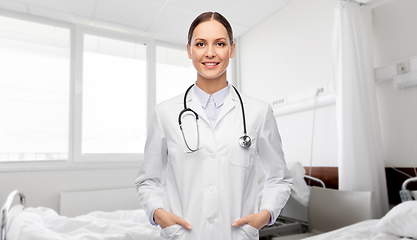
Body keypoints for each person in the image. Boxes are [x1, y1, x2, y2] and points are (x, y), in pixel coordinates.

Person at [135, 11, 293, 240]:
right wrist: (159, 214)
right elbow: (148, 180)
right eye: (201, 44)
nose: (210, 53)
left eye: (219, 43)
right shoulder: (165, 112)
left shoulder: (259, 111)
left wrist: (266, 214)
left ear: (232, 49)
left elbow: (279, 177)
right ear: (189, 50)